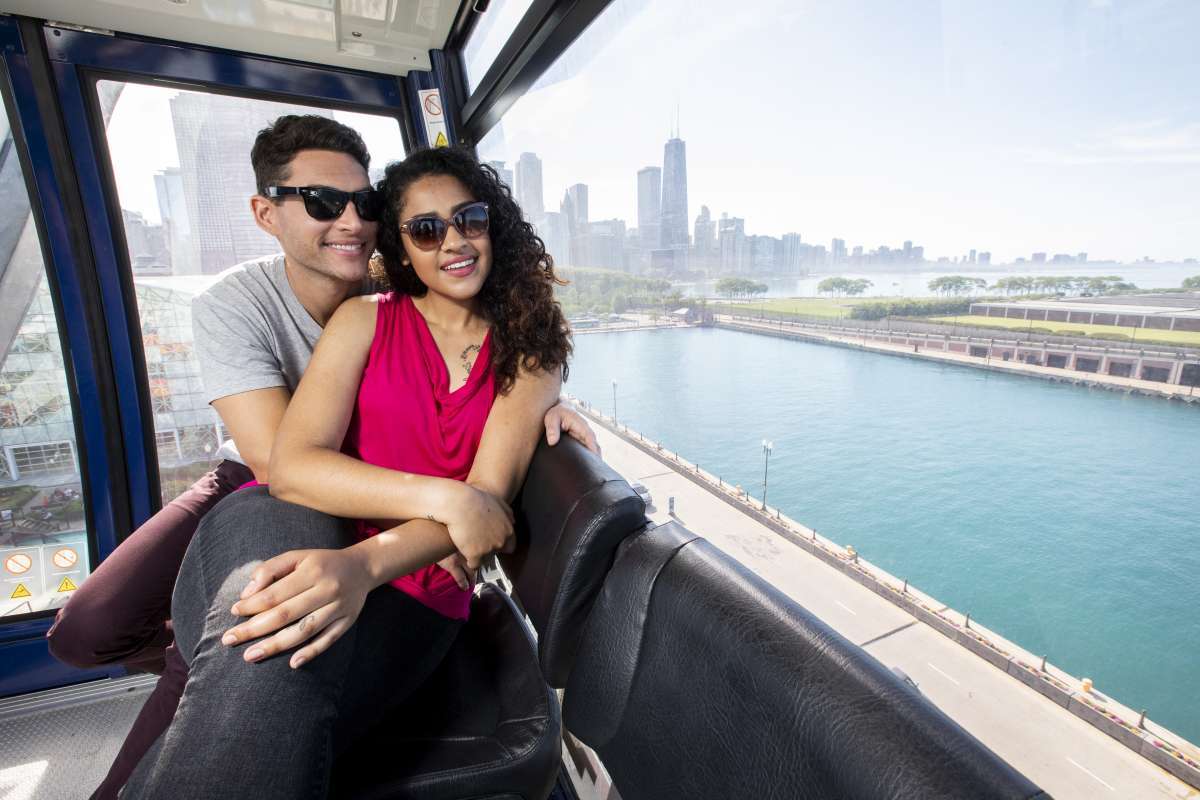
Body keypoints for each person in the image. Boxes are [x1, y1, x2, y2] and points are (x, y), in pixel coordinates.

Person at [44, 116, 596, 799]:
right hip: (277, 508)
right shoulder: (359, 317)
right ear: (402, 247)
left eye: (469, 219)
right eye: (426, 229)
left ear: (494, 226)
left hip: (414, 583)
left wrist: (361, 566)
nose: (453, 240)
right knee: (242, 639)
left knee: (257, 675)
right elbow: (291, 467)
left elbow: (485, 508)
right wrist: (444, 502)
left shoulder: (529, 353)